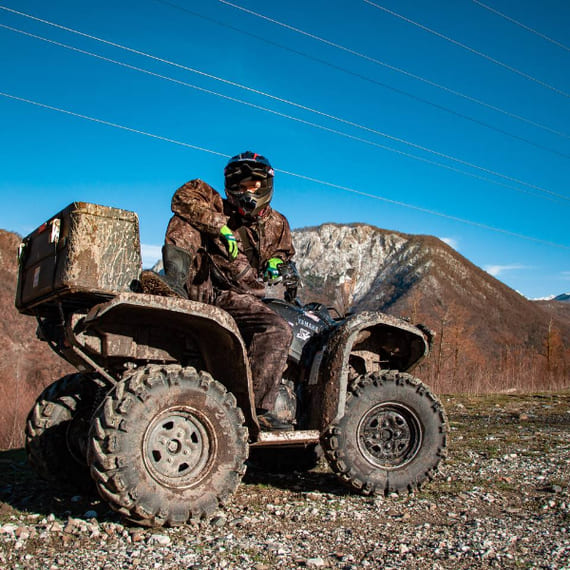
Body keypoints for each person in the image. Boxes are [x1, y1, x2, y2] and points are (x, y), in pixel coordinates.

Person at [146, 151, 297, 431]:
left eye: (251, 185)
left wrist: (278, 264)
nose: (245, 192)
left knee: (278, 330)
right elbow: (182, 198)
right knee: (187, 217)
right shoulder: (216, 203)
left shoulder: (279, 224)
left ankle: (256, 411)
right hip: (201, 286)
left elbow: (285, 258)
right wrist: (219, 226)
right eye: (238, 186)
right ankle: (173, 283)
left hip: (242, 295)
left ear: (265, 185)